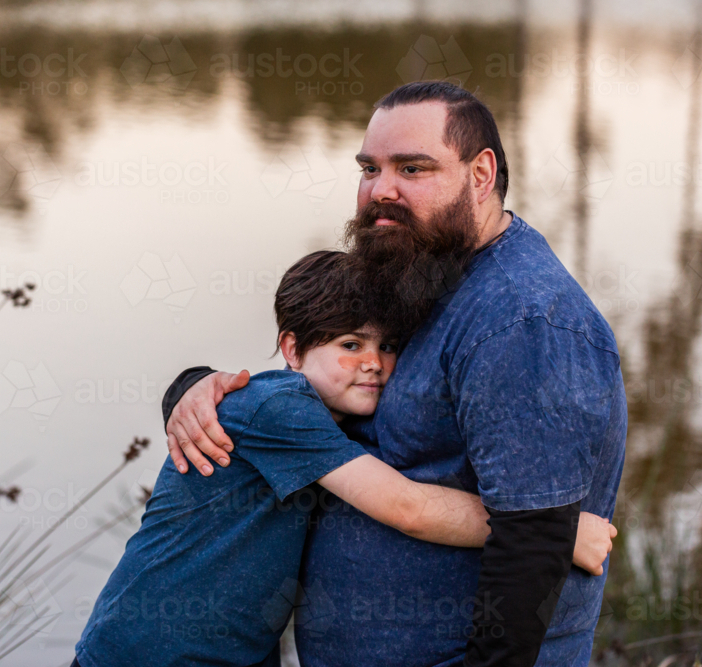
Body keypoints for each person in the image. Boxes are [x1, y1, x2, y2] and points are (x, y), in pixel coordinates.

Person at [164, 81, 627, 666]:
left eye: (412, 168)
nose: (381, 190)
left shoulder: (523, 322)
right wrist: (194, 389)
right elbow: (312, 375)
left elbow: (530, 548)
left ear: (481, 174)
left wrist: (557, 531)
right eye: (369, 169)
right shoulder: (418, 269)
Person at [75, 250, 615, 667]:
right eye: (351, 346)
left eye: (387, 346)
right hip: (146, 651)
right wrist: (554, 533)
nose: (374, 364)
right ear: (291, 349)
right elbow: (407, 507)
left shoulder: (333, 418)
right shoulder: (279, 408)